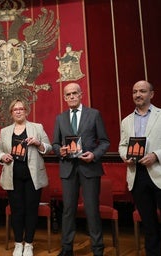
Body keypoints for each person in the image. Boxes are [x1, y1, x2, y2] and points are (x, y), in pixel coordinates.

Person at [52, 83, 110, 256]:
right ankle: (67, 248)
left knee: (92, 209)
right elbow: (55, 143)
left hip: (89, 167)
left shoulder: (94, 114)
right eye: (68, 94)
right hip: (68, 168)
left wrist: (94, 154)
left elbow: (105, 141)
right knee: (68, 210)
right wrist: (59, 150)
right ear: (64, 97)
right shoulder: (60, 118)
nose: (71, 97)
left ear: (81, 94)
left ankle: (97, 248)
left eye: (74, 93)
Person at [0, 99, 52, 256]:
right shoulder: (5, 131)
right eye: (15, 109)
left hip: (33, 177)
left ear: (26, 111)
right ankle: (18, 243)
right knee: (17, 211)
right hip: (12, 176)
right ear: (11, 113)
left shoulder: (37, 127)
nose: (18, 111)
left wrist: (38, 143)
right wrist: (3, 156)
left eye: (21, 109)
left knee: (31, 210)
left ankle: (29, 244)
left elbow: (49, 148)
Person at [118, 80, 161, 256]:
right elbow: (122, 145)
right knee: (149, 224)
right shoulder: (126, 121)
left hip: (160, 172)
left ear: (151, 94)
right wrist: (125, 156)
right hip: (137, 176)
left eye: (142, 91)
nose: (138, 94)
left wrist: (156, 156)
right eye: (135, 91)